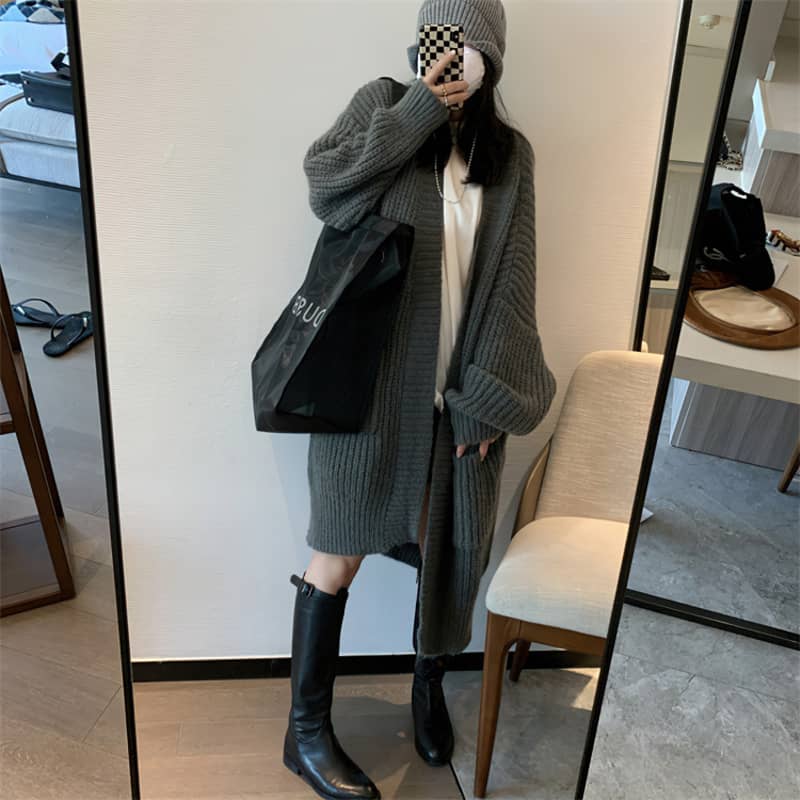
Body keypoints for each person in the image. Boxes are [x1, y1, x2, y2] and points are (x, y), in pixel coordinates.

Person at [282, 2, 557, 798]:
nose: (453, 57)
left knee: (447, 552)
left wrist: (484, 404)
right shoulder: (382, 106)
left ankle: (427, 686)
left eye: (470, 46)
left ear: (492, 58)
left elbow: (514, 287)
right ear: (421, 45)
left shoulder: (511, 157)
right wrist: (416, 112)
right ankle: (304, 732)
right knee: (338, 553)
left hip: (456, 399)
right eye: (441, 40)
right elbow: (326, 188)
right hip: (367, 399)